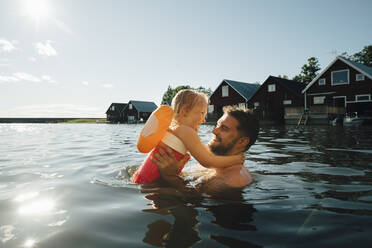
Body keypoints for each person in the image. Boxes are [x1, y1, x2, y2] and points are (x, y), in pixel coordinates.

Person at [132, 89, 245, 183]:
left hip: (144, 177)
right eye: (201, 113)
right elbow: (207, 161)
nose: (204, 119)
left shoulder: (173, 130)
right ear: (185, 111)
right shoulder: (185, 131)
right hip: (150, 180)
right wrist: (235, 159)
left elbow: (205, 153)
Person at [151, 105, 259, 195]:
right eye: (217, 125)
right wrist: (174, 170)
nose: (214, 131)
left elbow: (191, 201)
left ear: (242, 142)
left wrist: (170, 177)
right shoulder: (214, 166)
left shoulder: (230, 180)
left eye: (224, 128)